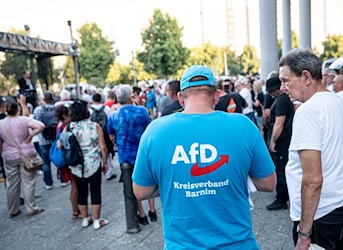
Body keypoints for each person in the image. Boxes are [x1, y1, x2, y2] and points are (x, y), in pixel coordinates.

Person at [132, 65, 277, 249]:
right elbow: (268, 183)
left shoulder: (155, 131)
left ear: (180, 98)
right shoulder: (243, 125)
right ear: (216, 95)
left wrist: (174, 183)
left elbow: (141, 191)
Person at [279, 49, 343, 250]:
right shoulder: (340, 105)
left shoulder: (309, 111)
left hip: (320, 216)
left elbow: (313, 179)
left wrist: (304, 233)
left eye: (286, 81)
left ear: (305, 77)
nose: (283, 88)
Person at [107, 85, 155, 225]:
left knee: (134, 187)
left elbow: (111, 136)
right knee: (150, 181)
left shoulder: (114, 115)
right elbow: (149, 129)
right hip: (144, 154)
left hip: (126, 156)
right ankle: (152, 210)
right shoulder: (142, 111)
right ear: (130, 97)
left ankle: (142, 214)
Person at [59, 101, 109, 230]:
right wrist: (105, 163)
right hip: (94, 163)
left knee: (81, 192)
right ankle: (97, 220)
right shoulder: (94, 126)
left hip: (77, 165)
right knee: (95, 191)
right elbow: (103, 147)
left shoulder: (69, 127)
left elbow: (60, 145)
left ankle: (85, 219)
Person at [0, 100, 45, 217]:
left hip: (9, 156)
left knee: (12, 183)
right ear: (18, 109)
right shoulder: (24, 120)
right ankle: (32, 207)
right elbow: (41, 126)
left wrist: (2, 152)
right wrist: (30, 136)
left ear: (6, 110)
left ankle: (13, 209)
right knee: (28, 182)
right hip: (26, 154)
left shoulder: (0, 124)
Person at [265, 76, 294, 211]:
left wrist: (273, 141)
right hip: (284, 140)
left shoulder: (281, 101)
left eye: (271, 91)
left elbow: (279, 123)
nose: (270, 94)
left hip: (282, 142)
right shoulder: (283, 99)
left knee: (281, 170)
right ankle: (283, 196)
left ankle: (282, 198)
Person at [54, 105, 80, 219]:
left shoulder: (60, 125)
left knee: (74, 185)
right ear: (65, 116)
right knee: (75, 186)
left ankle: (76, 209)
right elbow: (60, 144)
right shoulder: (65, 126)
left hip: (66, 159)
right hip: (69, 159)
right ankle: (76, 211)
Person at [33, 91, 59, 189]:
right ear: (53, 99)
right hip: (56, 139)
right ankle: (63, 179)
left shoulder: (37, 110)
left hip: (43, 140)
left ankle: (49, 183)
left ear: (43, 99)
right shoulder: (57, 109)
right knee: (59, 158)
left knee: (45, 162)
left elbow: (35, 125)